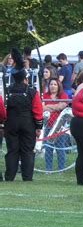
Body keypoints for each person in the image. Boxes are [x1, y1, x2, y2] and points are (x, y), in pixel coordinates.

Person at [4, 48, 43, 181]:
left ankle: (9, 176)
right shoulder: (32, 91)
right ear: (25, 78)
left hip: (11, 123)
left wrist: (3, 123)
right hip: (28, 124)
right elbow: (38, 110)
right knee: (27, 151)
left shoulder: (7, 90)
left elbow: (3, 108)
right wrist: (39, 126)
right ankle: (27, 177)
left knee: (12, 150)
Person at [42, 78, 69, 171]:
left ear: (58, 86)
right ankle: (48, 169)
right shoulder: (45, 95)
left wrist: (47, 107)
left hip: (59, 127)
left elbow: (61, 106)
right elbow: (42, 108)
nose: (52, 86)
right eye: (51, 84)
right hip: (48, 126)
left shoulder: (63, 95)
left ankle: (61, 169)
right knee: (48, 148)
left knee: (60, 148)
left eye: (55, 84)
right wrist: (55, 107)